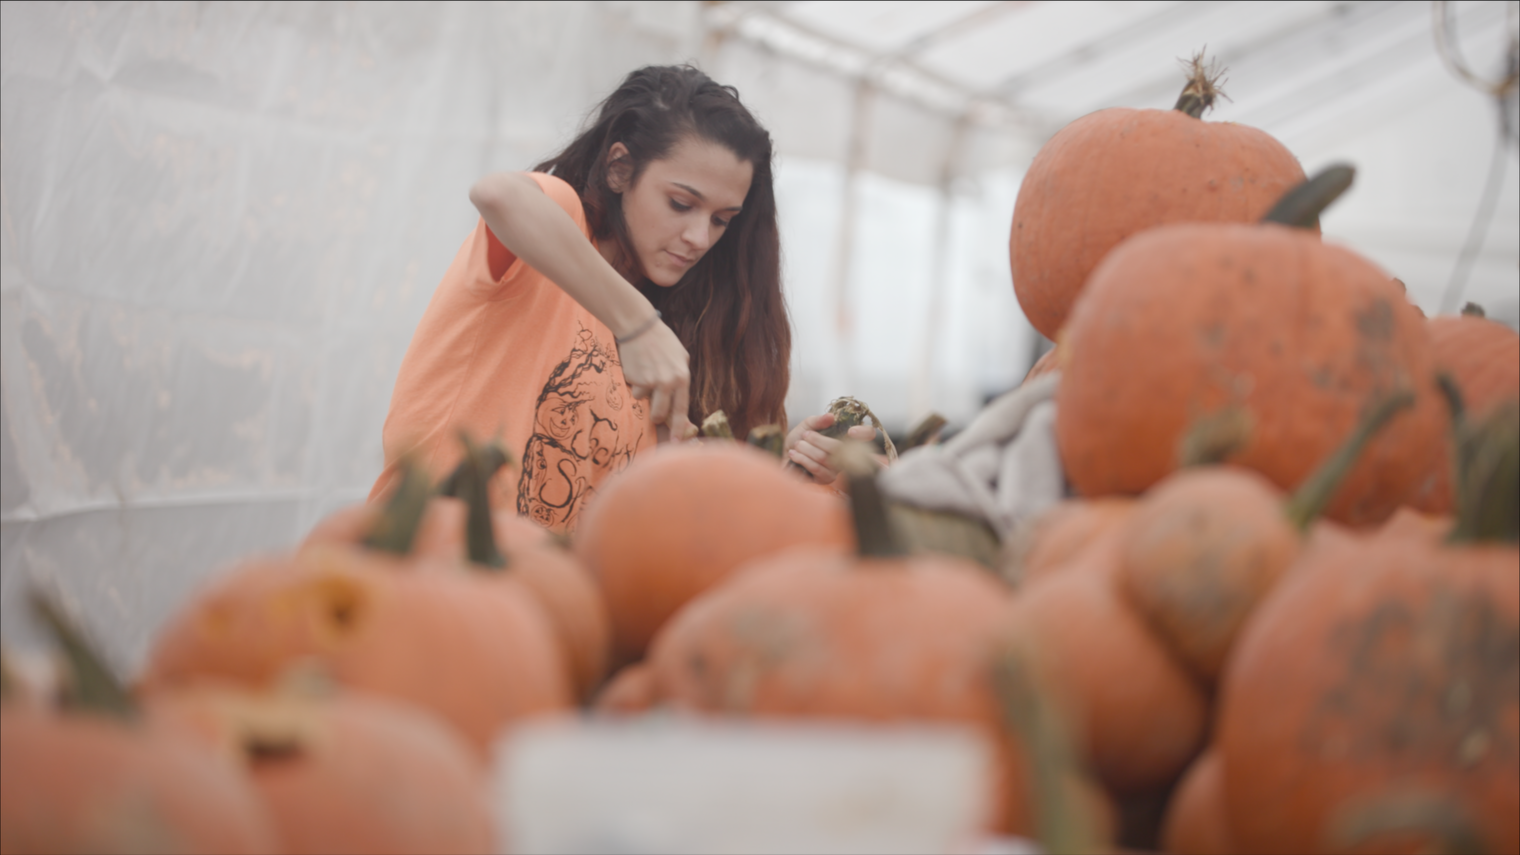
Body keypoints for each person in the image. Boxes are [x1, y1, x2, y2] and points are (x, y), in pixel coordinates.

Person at [370, 65, 875, 533]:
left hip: (541, 608)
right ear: (619, 169)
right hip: (424, 568)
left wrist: (783, 468)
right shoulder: (556, 234)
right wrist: (638, 323)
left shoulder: (666, 351)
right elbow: (500, 195)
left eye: (722, 220)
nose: (700, 237)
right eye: (681, 203)